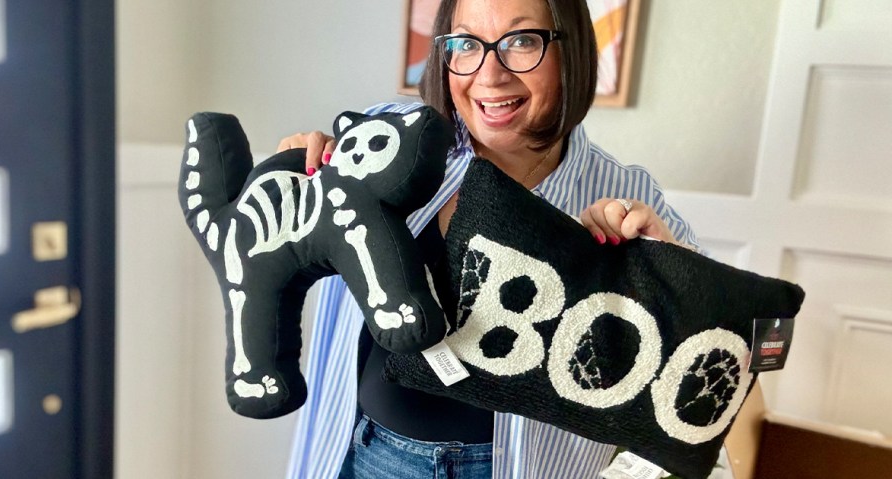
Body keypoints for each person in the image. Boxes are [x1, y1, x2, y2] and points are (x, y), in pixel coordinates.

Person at [279, 0, 700, 477]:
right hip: (365, 455)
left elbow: (720, 346)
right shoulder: (388, 139)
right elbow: (299, 261)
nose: (489, 74)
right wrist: (298, 182)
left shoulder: (625, 196)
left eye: (521, 41)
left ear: (571, 50)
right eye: (465, 44)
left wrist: (667, 263)